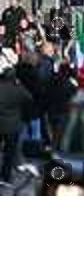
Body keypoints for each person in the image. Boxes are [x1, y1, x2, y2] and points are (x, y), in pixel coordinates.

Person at [0, 48, 33, 185]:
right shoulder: (18, 88)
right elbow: (29, 98)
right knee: (9, 153)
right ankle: (6, 177)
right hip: (13, 126)